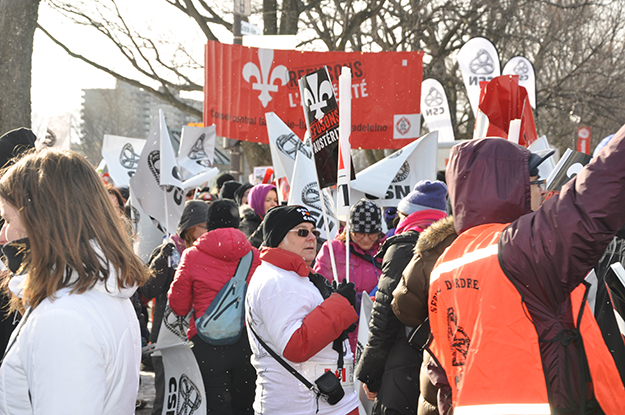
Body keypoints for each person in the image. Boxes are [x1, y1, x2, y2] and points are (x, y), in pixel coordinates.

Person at [427, 133, 625, 414]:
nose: (543, 192)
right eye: (534, 183)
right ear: (506, 189)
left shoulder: (446, 262)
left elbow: (442, 370)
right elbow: (591, 200)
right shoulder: (518, 249)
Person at [0, 149, 148, 414]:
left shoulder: (64, 316)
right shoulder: (99, 291)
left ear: (42, 219)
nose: (3, 234)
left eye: (7, 220)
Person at [245, 205, 360, 415]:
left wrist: (337, 314)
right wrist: (339, 306)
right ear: (279, 238)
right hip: (304, 406)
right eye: (302, 232)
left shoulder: (294, 275)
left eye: (314, 232)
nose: (312, 238)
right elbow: (296, 345)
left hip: (327, 402)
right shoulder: (275, 280)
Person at [356, 181, 448, 415]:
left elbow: (384, 318)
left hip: (403, 361)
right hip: (443, 362)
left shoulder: (404, 247)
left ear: (408, 215)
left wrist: (370, 374)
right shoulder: (457, 244)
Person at [169, 199, 260, 414]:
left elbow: (178, 306)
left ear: (209, 223)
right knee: (245, 405)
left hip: (206, 344)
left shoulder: (191, 256)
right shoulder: (254, 255)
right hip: (246, 342)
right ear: (238, 222)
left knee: (215, 405)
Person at [141, 200, 209, 415]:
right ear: (190, 226)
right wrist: (160, 266)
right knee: (167, 396)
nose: (209, 231)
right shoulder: (169, 251)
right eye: (205, 226)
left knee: (191, 394)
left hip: (194, 334)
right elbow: (147, 291)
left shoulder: (207, 251)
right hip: (165, 333)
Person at [314, 198, 384, 351]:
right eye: (359, 233)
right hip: (342, 332)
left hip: (374, 332)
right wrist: (346, 301)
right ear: (348, 228)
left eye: (372, 233)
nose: (366, 239)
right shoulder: (332, 251)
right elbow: (318, 290)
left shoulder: (385, 252)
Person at [240, 184, 278, 248]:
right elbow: (246, 248)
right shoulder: (246, 224)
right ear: (256, 201)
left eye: (276, 200)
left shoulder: (277, 221)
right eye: (268, 200)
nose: (273, 204)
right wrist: (266, 223)